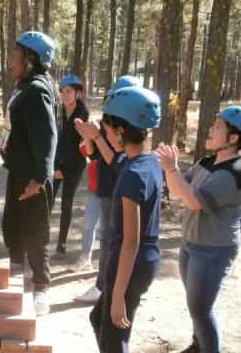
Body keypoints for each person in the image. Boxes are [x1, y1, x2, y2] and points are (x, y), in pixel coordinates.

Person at [156, 106, 241, 353]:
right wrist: (163, 165)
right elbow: (184, 184)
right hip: (192, 243)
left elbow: (192, 200)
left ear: (233, 138)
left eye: (217, 127)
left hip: (214, 250)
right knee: (196, 305)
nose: (210, 130)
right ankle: (198, 345)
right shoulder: (209, 160)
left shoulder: (233, 173)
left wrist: (171, 169)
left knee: (201, 309)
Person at [86, 86, 163, 352]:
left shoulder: (133, 176)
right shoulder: (146, 162)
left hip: (129, 263)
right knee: (98, 318)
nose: (105, 131)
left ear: (120, 130)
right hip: (141, 261)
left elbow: (131, 241)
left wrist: (118, 294)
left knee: (114, 339)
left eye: (106, 126)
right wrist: (96, 138)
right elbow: (116, 161)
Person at [2, 31, 57, 316]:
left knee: (35, 235)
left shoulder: (37, 90)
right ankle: (14, 281)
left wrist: (39, 180)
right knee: (14, 228)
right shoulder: (25, 86)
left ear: (30, 59)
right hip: (20, 172)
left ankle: (41, 290)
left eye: (15, 56)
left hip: (33, 179)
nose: (10, 60)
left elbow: (47, 137)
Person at [73, 75, 141, 302]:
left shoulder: (131, 128)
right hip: (103, 188)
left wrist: (96, 139)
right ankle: (106, 285)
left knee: (115, 241)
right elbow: (94, 156)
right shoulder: (107, 121)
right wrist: (89, 138)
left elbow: (117, 162)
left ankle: (105, 287)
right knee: (108, 240)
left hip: (118, 192)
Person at [52, 75, 88, 256]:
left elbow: (81, 144)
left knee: (67, 204)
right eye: (62, 91)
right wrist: (55, 167)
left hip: (74, 165)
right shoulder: (56, 111)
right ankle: (40, 239)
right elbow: (53, 140)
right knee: (47, 202)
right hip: (55, 164)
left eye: (69, 91)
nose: (65, 95)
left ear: (77, 93)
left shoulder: (83, 113)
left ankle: (62, 243)